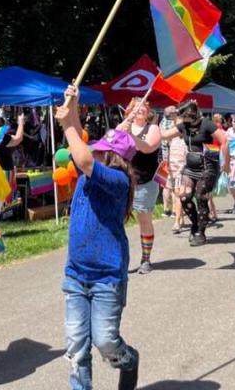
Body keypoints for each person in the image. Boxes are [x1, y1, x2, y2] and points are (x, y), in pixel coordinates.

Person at [55, 85, 139, 390]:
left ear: (113, 156)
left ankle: (127, 359)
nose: (94, 150)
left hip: (107, 278)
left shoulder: (116, 180)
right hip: (76, 275)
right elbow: (81, 145)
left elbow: (84, 156)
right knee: (76, 348)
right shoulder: (90, 168)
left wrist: (66, 125)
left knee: (105, 342)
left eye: (102, 148)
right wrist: (74, 106)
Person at [161, 100, 227, 246]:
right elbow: (164, 135)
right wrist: (151, 124)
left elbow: (224, 140)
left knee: (201, 196)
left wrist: (225, 163)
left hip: (207, 166)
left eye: (182, 116)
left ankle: (201, 233)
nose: (180, 119)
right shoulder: (183, 126)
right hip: (190, 166)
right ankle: (196, 224)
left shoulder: (206, 124)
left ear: (190, 114)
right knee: (184, 196)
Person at [117, 99, 162, 274]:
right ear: (129, 111)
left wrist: (131, 136)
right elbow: (111, 144)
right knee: (117, 221)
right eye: (136, 107)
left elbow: (147, 147)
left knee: (144, 220)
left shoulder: (153, 128)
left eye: (144, 107)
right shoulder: (123, 126)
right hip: (123, 182)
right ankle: (119, 260)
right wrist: (122, 129)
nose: (140, 109)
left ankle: (146, 259)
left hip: (145, 182)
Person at [159, 106, 178, 217]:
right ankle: (175, 211)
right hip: (174, 159)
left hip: (163, 159)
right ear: (171, 114)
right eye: (175, 111)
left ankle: (166, 210)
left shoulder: (161, 123)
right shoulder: (174, 125)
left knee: (165, 186)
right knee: (175, 186)